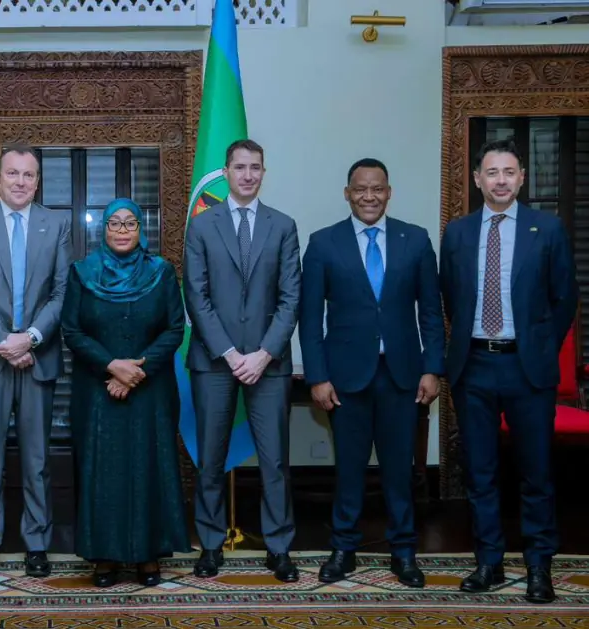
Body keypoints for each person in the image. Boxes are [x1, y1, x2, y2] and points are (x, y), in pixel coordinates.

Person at [440, 139, 577, 604]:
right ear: (477, 179)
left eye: (509, 172)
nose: (500, 180)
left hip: (527, 368)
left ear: (522, 178)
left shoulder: (547, 229)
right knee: (480, 472)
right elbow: (451, 297)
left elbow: (565, 298)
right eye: (492, 172)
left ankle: (539, 566)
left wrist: (539, 346)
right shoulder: (457, 233)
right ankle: (489, 562)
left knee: (536, 472)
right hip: (474, 365)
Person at [298, 158, 445, 587]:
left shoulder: (415, 240)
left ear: (389, 192)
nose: (369, 196)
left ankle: (404, 552)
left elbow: (431, 313)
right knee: (349, 468)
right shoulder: (323, 243)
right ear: (347, 193)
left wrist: (433, 368)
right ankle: (344, 549)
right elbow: (310, 319)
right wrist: (317, 376)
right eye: (360, 189)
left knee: (399, 470)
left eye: (377, 188)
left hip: (402, 376)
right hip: (345, 378)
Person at [183, 139, 301, 583]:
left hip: (269, 362)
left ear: (263, 172)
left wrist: (263, 353)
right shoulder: (202, 225)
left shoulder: (283, 225)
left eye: (255, 167)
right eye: (240, 167)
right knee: (210, 460)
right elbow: (196, 296)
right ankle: (211, 545)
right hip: (215, 361)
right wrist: (232, 354)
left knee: (275, 462)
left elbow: (291, 297)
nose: (248, 175)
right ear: (226, 171)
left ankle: (279, 548)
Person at [0, 143, 72, 579]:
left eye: (28, 175)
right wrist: (5, 341)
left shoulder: (55, 223)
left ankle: (36, 544)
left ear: (37, 182)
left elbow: (61, 291)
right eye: (13, 173)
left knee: (36, 459)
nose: (20, 181)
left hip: (37, 356)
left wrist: (31, 338)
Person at [61, 198, 191, 587]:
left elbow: (175, 328)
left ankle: (148, 555)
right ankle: (104, 558)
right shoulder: (82, 272)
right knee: (102, 471)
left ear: (140, 229)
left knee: (149, 466)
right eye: (114, 223)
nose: (122, 230)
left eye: (129, 223)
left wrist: (136, 370)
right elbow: (72, 330)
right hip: (97, 391)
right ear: (103, 229)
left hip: (151, 390)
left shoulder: (161, 272)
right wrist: (111, 365)